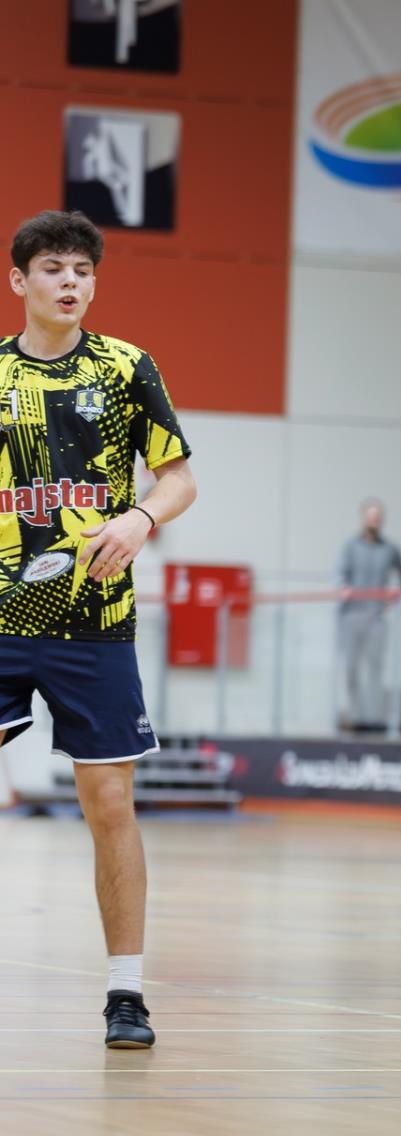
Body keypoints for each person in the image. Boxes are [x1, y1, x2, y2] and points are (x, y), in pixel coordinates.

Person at [0, 210, 197, 1049]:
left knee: (109, 802)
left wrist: (143, 517)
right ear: (20, 281)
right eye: (54, 268)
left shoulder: (126, 368)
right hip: (2, 614)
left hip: (96, 624)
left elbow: (179, 478)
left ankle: (126, 995)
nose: (70, 282)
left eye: (83, 269)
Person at [336, 498, 401, 731]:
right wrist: (344, 588)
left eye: (378, 517)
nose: (374, 521)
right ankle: (356, 717)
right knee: (351, 669)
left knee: (375, 669)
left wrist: (395, 594)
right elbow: (339, 576)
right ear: (363, 518)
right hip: (352, 616)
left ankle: (374, 718)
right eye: (371, 516)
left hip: (376, 616)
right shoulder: (350, 546)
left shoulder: (390, 548)